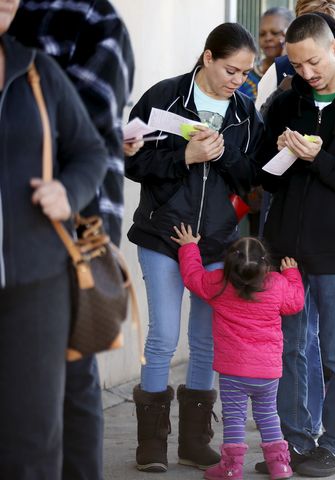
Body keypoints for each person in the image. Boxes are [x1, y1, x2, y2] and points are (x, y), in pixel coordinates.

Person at [126, 22, 264, 473]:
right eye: (231, 69)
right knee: (164, 336)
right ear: (207, 57)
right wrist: (184, 157)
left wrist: (224, 156)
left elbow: (252, 179)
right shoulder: (163, 95)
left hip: (216, 244)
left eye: (245, 74)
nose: (238, 81)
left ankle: (194, 441)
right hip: (162, 236)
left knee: (205, 342)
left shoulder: (245, 111)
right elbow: (131, 159)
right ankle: (151, 445)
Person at [255, 13, 335, 477]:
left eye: (312, 62)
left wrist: (318, 158)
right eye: (295, 65)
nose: (305, 73)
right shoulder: (287, 101)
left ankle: (333, 442)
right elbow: (261, 175)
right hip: (284, 245)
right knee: (288, 347)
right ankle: (293, 440)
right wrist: (283, 155)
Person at [9, 2, 135, 478]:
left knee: (71, 371)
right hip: (16, 230)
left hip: (72, 227)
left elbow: (85, 135)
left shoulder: (92, 18)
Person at [171, 225, 304, 480]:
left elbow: (193, 277)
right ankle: (280, 466)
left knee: (234, 417)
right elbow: (296, 301)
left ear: (229, 263)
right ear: (266, 264)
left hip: (233, 371)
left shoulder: (219, 283)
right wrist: (292, 274)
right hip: (267, 371)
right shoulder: (276, 285)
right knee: (267, 415)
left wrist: (189, 247)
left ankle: (231, 468)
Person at [254, 0, 335, 110]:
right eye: (297, 65)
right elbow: (259, 125)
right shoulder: (279, 69)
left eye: (327, 29)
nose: (307, 73)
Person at [239, 7, 294, 100]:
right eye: (262, 34)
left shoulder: (299, 74)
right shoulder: (246, 75)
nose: (268, 38)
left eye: (275, 33)